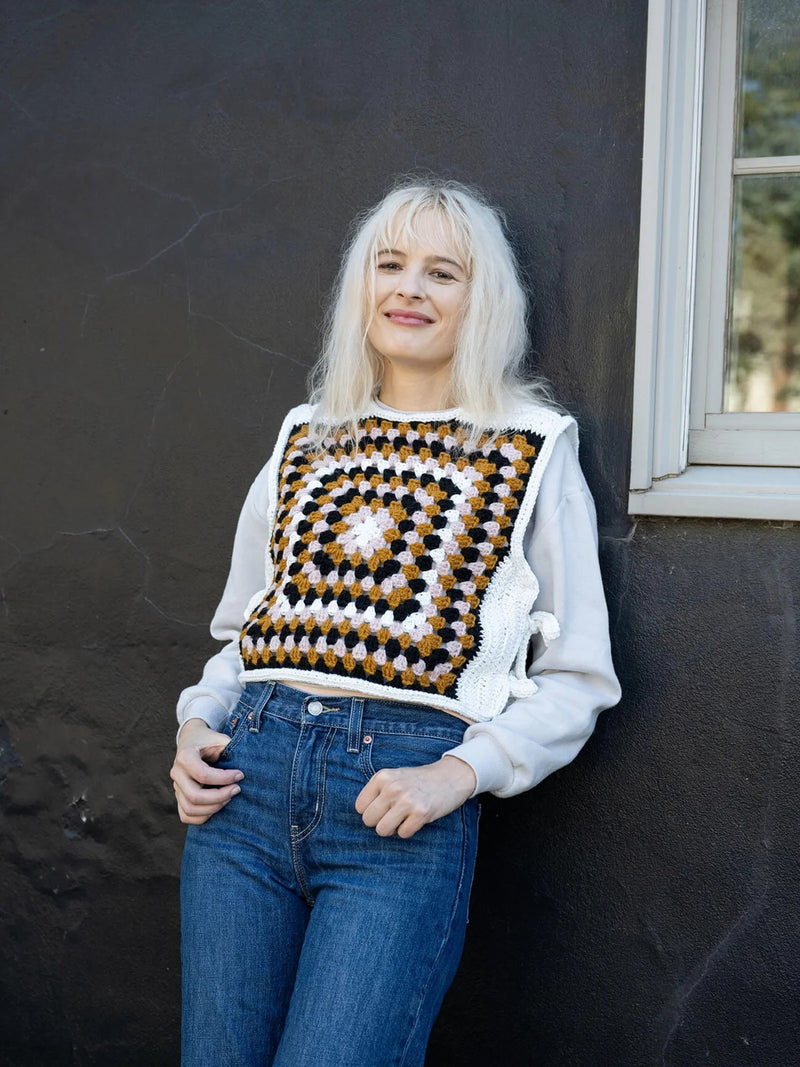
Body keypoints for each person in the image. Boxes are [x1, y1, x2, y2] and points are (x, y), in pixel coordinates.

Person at [171, 179, 620, 1067]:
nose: (409, 288)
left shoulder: (528, 448)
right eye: (390, 264)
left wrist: (460, 772)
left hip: (397, 813)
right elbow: (244, 636)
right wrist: (195, 726)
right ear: (361, 285)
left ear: (483, 300)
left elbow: (579, 678)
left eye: (442, 272)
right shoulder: (305, 438)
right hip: (241, 795)